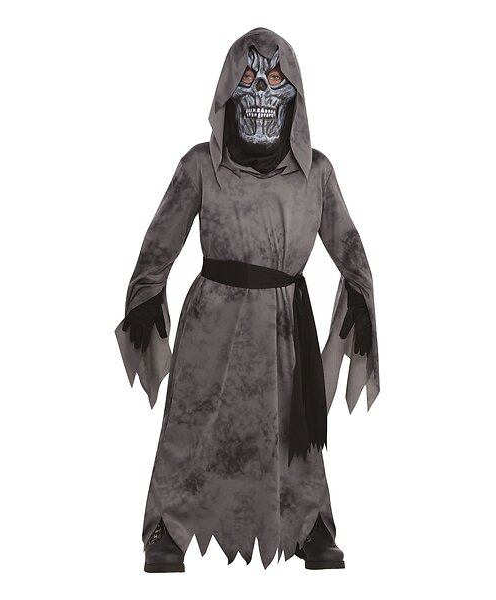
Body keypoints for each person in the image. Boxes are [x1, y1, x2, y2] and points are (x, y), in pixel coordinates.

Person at [114, 27, 380, 572]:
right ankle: (166, 525)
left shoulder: (317, 174)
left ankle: (310, 523)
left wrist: (359, 297)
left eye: (275, 77)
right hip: (211, 321)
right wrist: (144, 296)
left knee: (290, 431)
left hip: (284, 325)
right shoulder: (199, 166)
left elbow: (350, 248)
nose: (260, 89)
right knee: (191, 425)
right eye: (249, 76)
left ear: (294, 93)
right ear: (227, 91)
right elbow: (158, 245)